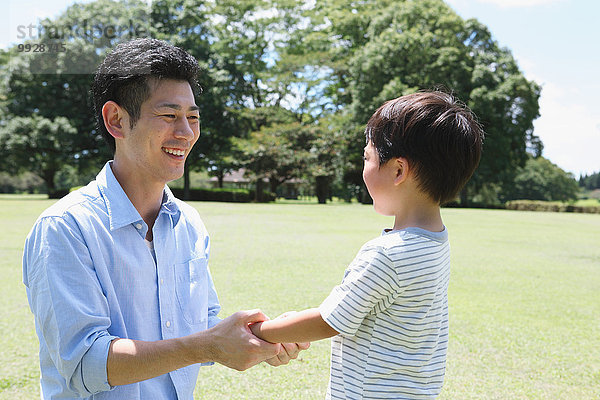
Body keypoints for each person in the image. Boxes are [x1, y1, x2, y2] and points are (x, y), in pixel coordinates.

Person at [22, 38, 307, 400]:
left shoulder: (188, 224)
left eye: (192, 117)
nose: (186, 133)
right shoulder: (65, 228)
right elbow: (84, 364)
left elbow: (200, 326)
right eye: (169, 115)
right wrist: (208, 346)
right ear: (117, 121)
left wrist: (265, 333)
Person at [250, 91, 484, 399]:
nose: (364, 168)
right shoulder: (436, 241)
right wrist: (292, 324)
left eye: (367, 157)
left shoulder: (387, 254)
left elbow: (328, 321)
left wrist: (260, 333)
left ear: (398, 170)